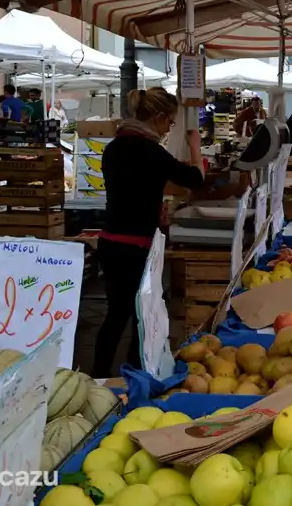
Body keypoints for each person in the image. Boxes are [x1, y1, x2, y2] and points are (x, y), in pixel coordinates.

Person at [95, 88, 205, 377]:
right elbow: (195, 179)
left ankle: (97, 376)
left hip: (110, 243)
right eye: (169, 122)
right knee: (146, 315)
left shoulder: (113, 148)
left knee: (116, 315)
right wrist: (195, 145)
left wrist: (155, 204)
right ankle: (136, 375)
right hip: (138, 246)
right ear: (157, 117)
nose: (170, 128)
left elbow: (134, 190)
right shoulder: (151, 151)